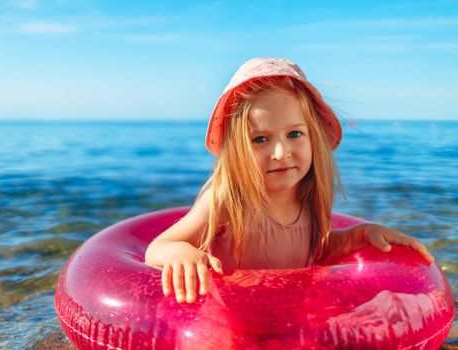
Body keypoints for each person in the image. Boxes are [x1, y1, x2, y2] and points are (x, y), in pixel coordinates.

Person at [145, 57, 434, 304]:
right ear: (237, 149)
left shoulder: (308, 198)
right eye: (260, 139)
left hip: (290, 321)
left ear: (313, 138)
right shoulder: (227, 201)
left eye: (294, 134)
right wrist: (182, 252)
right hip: (230, 319)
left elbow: (316, 254)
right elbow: (158, 248)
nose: (281, 153)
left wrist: (359, 235)